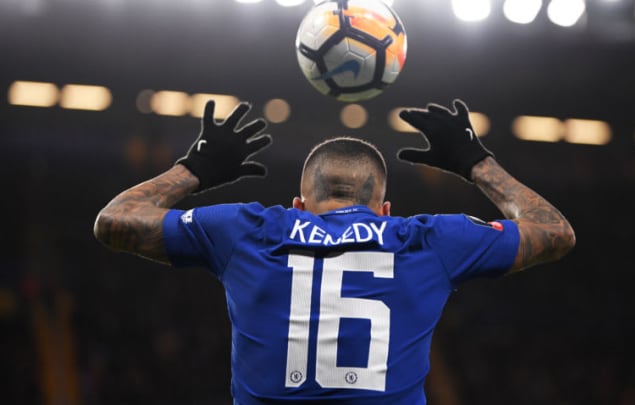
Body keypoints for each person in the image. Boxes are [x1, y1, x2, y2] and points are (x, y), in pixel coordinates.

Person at [94, 98, 575, 404]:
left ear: (298, 205)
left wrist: (194, 168)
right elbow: (554, 232)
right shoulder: (428, 240)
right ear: (384, 210)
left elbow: (115, 223)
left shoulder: (247, 230)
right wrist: (476, 163)